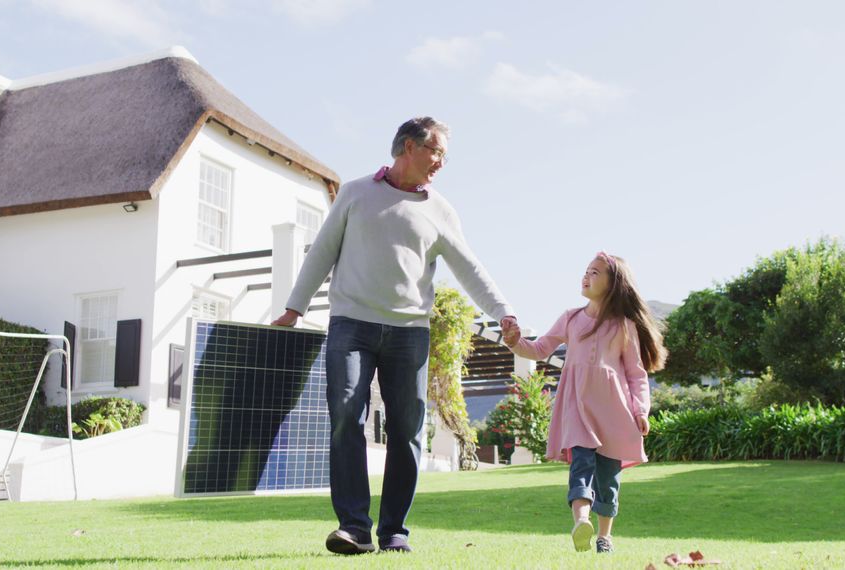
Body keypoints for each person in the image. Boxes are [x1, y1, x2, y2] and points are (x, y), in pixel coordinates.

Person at [272, 116, 519, 555]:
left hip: (410, 333)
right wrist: (295, 307)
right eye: (436, 151)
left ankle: (394, 532)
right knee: (348, 415)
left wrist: (503, 312)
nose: (441, 162)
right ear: (409, 146)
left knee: (406, 430)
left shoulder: (440, 210)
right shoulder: (355, 193)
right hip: (351, 323)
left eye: (444, 154)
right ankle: (353, 527)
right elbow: (322, 252)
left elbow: (470, 267)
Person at [501, 251, 666, 554]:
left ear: (613, 282)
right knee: (581, 463)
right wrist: (514, 342)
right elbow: (539, 350)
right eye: (586, 271)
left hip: (614, 410)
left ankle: (604, 537)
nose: (586, 276)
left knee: (608, 477)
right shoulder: (571, 318)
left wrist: (641, 409)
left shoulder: (624, 326)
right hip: (577, 405)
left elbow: (636, 375)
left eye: (595, 272)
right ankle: (581, 522)